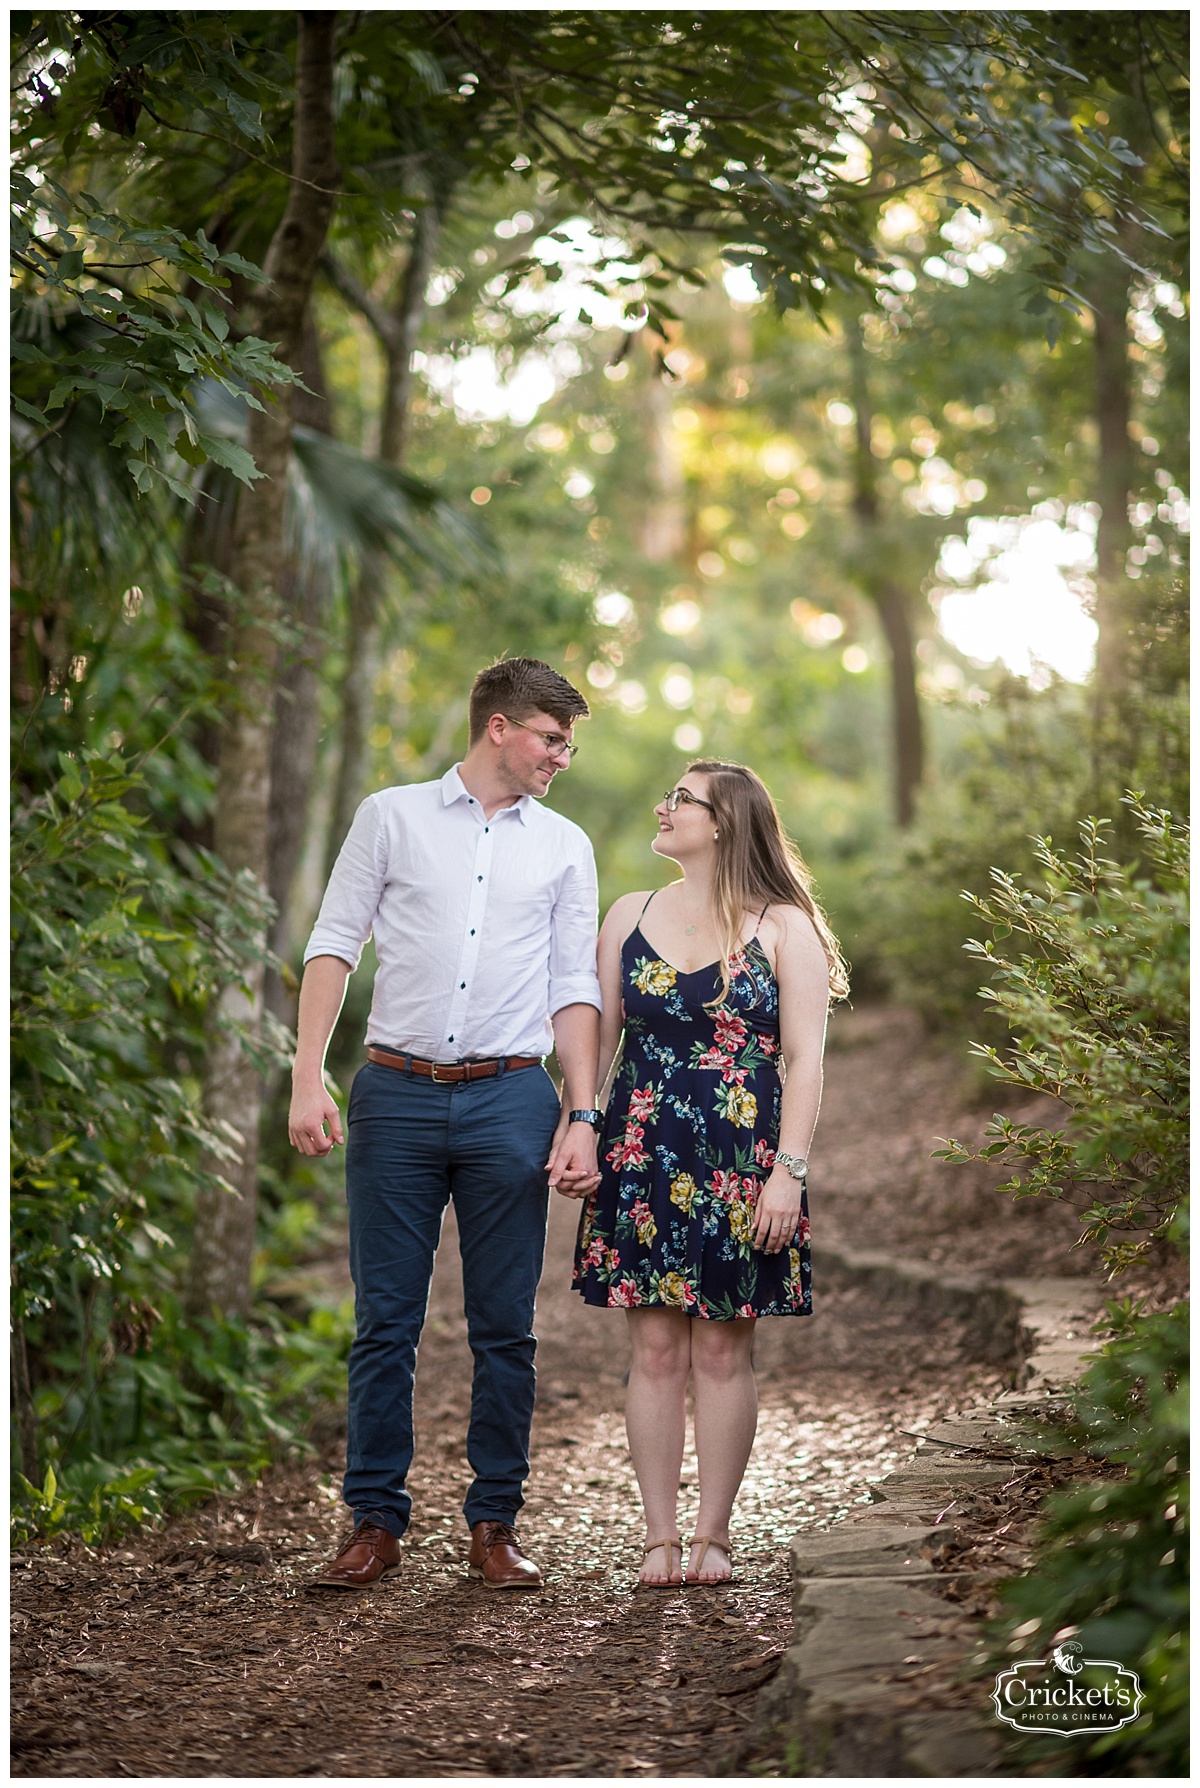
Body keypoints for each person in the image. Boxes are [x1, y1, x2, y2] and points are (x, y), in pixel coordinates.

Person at [290, 658, 603, 1591]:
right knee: (385, 1321)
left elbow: (573, 988)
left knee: (505, 1327)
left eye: (569, 744)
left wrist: (582, 1113)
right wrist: (308, 1076)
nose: (562, 757)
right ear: (500, 726)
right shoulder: (390, 817)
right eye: (553, 739)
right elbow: (333, 944)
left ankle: (494, 1524)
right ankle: (374, 1523)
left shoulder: (565, 846)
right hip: (395, 1094)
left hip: (513, 1096)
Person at [570, 760, 847, 1587]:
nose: (664, 807)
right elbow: (595, 1034)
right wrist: (580, 1122)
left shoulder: (784, 928)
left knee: (723, 1350)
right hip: (642, 1151)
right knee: (654, 1348)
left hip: (743, 1160)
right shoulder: (628, 916)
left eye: (681, 800)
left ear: (725, 821)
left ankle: (713, 1535)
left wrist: (788, 1174)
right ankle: (658, 1536)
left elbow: (806, 1062)